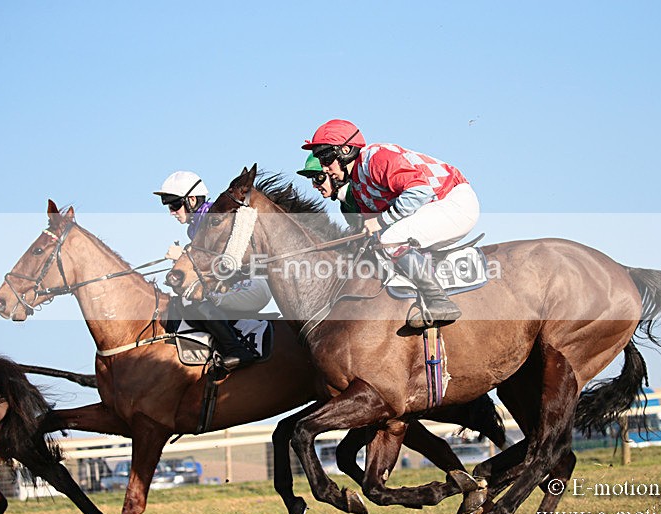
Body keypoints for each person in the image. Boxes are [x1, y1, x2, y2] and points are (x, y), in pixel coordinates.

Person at [301, 119, 480, 328]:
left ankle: (439, 302)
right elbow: (370, 230)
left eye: (326, 158)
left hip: (454, 201)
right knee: (379, 246)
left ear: (346, 150)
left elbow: (420, 191)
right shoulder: (358, 185)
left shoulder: (375, 157)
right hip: (436, 207)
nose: (324, 167)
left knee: (391, 239)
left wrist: (381, 221)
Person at [154, 171, 272, 372]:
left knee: (196, 300)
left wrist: (181, 255)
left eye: (174, 205)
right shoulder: (194, 227)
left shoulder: (211, 218)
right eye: (169, 207)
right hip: (238, 283)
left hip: (255, 283)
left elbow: (223, 262)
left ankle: (237, 349)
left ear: (192, 200)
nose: (172, 212)